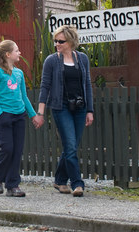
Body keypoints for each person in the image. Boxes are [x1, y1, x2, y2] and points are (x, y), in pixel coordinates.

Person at [36, 25, 94, 197]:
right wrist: (40, 112)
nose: (57, 44)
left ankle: (60, 180)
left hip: (80, 108)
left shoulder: (82, 59)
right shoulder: (51, 60)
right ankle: (77, 183)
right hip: (60, 108)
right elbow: (45, 87)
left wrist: (89, 110)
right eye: (55, 41)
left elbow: (88, 85)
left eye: (61, 41)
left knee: (72, 147)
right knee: (70, 146)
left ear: (71, 41)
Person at [0, 40, 41, 197]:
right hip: (5, 117)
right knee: (7, 148)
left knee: (17, 150)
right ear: (8, 54)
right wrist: (1, 114)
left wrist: (33, 115)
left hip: (19, 117)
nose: (19, 53)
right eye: (17, 51)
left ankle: (13, 185)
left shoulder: (19, 74)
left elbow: (23, 96)